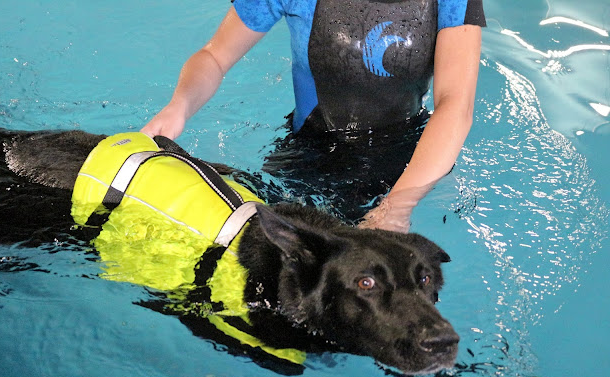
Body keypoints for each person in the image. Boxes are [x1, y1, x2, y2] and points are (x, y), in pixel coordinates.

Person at [142, 0, 486, 232]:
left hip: (408, 164)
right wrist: (178, 107)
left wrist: (399, 204)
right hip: (308, 158)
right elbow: (214, 56)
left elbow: (456, 104)